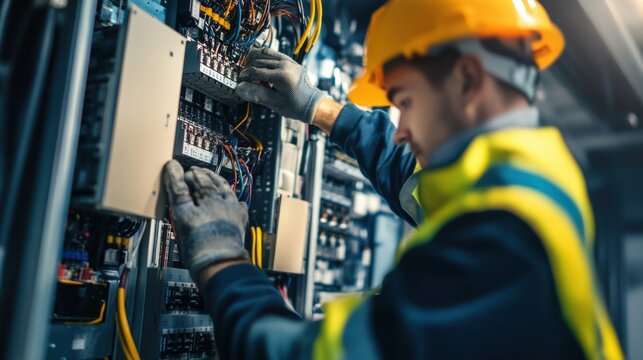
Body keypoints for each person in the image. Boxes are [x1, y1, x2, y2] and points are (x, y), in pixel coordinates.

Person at [163, 0, 624, 358]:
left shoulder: (501, 237)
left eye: (403, 100)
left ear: (466, 80)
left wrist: (222, 261)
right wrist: (319, 109)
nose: (401, 128)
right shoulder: (531, 178)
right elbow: (415, 182)